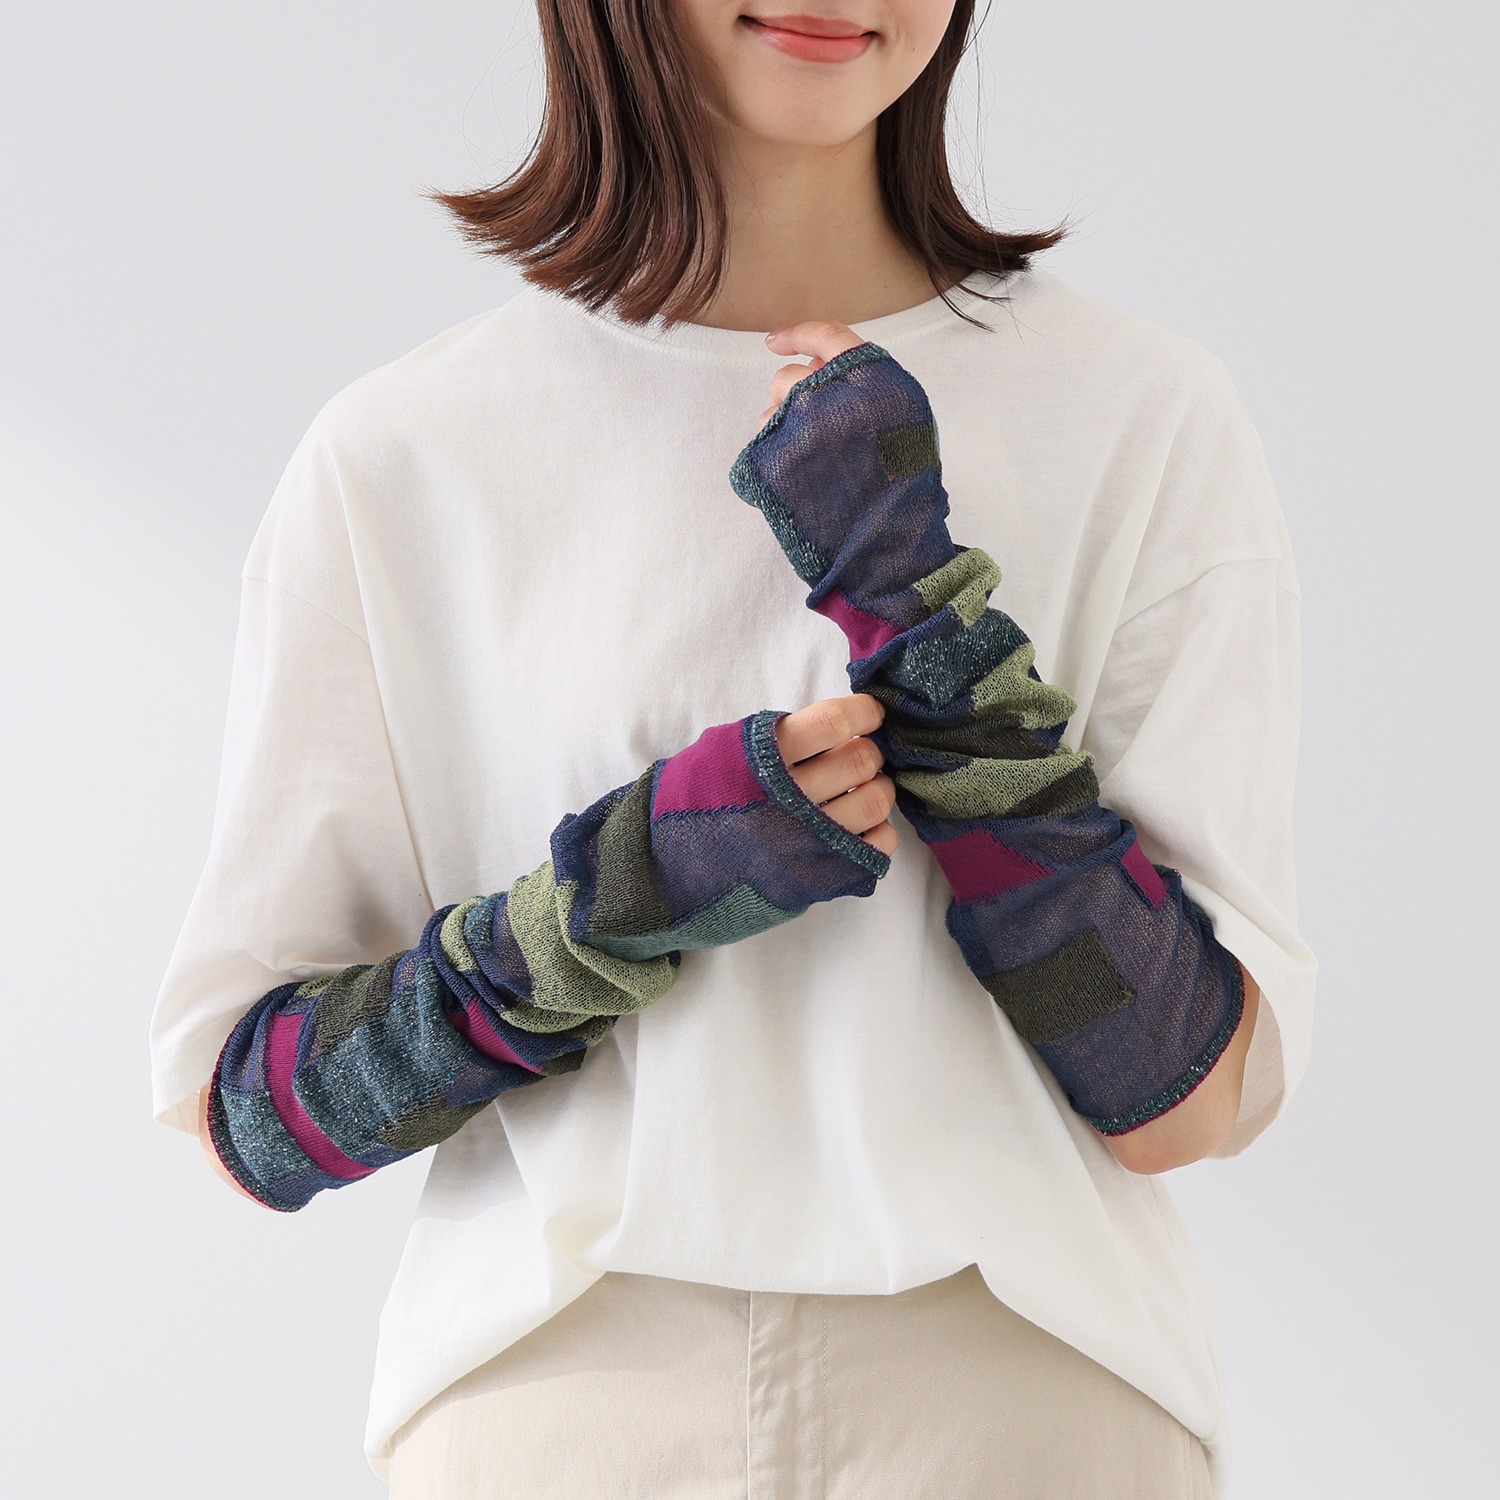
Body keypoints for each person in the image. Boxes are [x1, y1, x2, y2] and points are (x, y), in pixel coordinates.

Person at [148, 1, 1316, 1495]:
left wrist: (917, 611)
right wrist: (612, 903)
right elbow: (257, 1120)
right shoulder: (411, 451)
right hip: (559, 1402)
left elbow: (1185, 1096)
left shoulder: (1142, 413)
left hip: (1027, 1393)